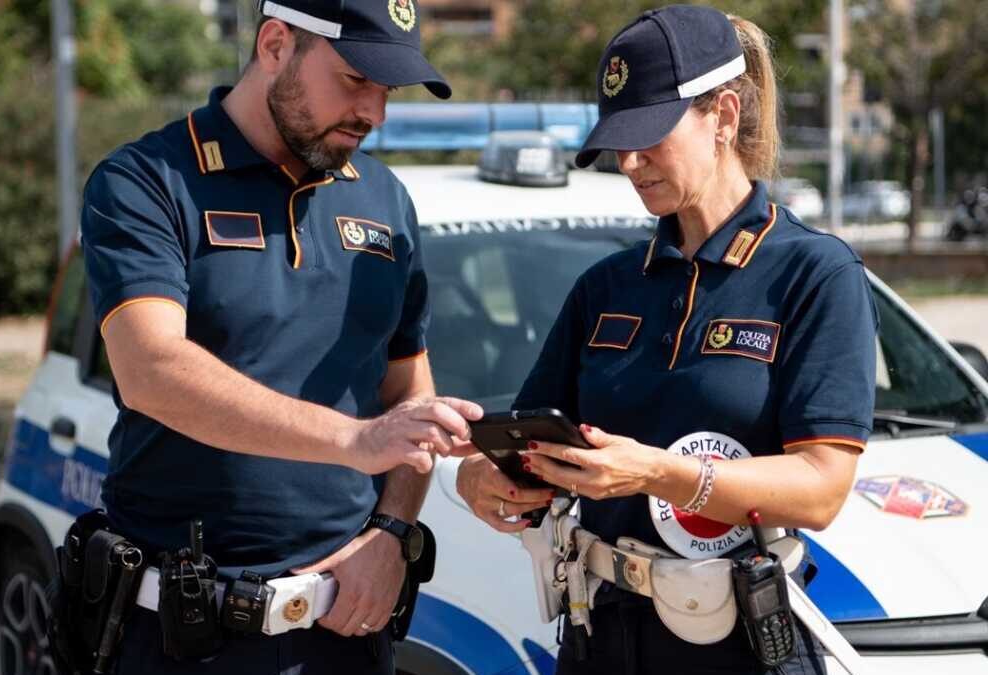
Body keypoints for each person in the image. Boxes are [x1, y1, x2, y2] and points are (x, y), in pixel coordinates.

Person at [456, 5, 877, 674]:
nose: (629, 160)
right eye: (618, 141)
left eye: (650, 134)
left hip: (739, 646)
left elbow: (820, 489)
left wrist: (655, 472)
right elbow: (526, 445)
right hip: (602, 636)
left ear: (725, 115)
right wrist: (484, 479)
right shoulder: (605, 287)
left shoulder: (813, 274)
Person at [78, 1, 481, 673]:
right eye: (356, 79)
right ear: (274, 45)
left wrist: (391, 531)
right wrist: (353, 441)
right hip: (183, 635)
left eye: (388, 89)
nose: (374, 112)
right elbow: (151, 371)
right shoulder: (147, 180)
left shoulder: (384, 199)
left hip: (347, 629)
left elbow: (408, 395)